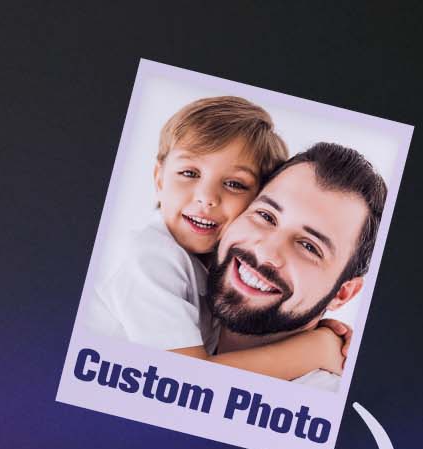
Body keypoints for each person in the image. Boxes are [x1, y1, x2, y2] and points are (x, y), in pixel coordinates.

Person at [92, 98, 346, 382]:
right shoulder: (151, 257)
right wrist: (313, 351)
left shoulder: (220, 269)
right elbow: (184, 381)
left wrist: (314, 327)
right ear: (159, 179)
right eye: (189, 173)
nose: (207, 197)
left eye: (234, 184)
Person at [204, 142, 389, 391]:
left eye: (309, 246)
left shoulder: (323, 400)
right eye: (266, 216)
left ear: (342, 294)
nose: (266, 252)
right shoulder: (173, 290)